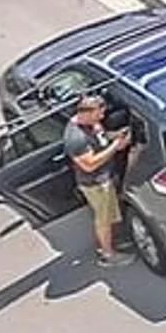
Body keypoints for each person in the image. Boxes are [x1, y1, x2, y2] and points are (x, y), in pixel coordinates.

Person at [62, 89, 131, 265]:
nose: (101, 117)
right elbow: (89, 163)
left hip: (106, 176)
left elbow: (102, 137)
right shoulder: (75, 137)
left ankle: (112, 243)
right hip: (95, 184)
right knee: (103, 219)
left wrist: (115, 136)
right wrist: (115, 146)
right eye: (98, 113)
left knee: (110, 215)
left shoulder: (93, 124)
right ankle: (107, 255)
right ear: (86, 113)